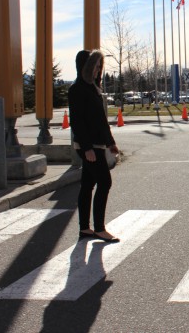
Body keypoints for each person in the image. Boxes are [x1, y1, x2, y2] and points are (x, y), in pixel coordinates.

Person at [68, 50, 120, 242]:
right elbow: (77, 122)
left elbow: (101, 121)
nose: (99, 70)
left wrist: (111, 142)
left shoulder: (93, 89)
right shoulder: (77, 89)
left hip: (98, 145)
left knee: (88, 184)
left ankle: (85, 228)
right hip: (87, 147)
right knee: (105, 182)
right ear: (86, 66)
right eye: (96, 66)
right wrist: (87, 148)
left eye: (100, 66)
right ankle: (99, 228)